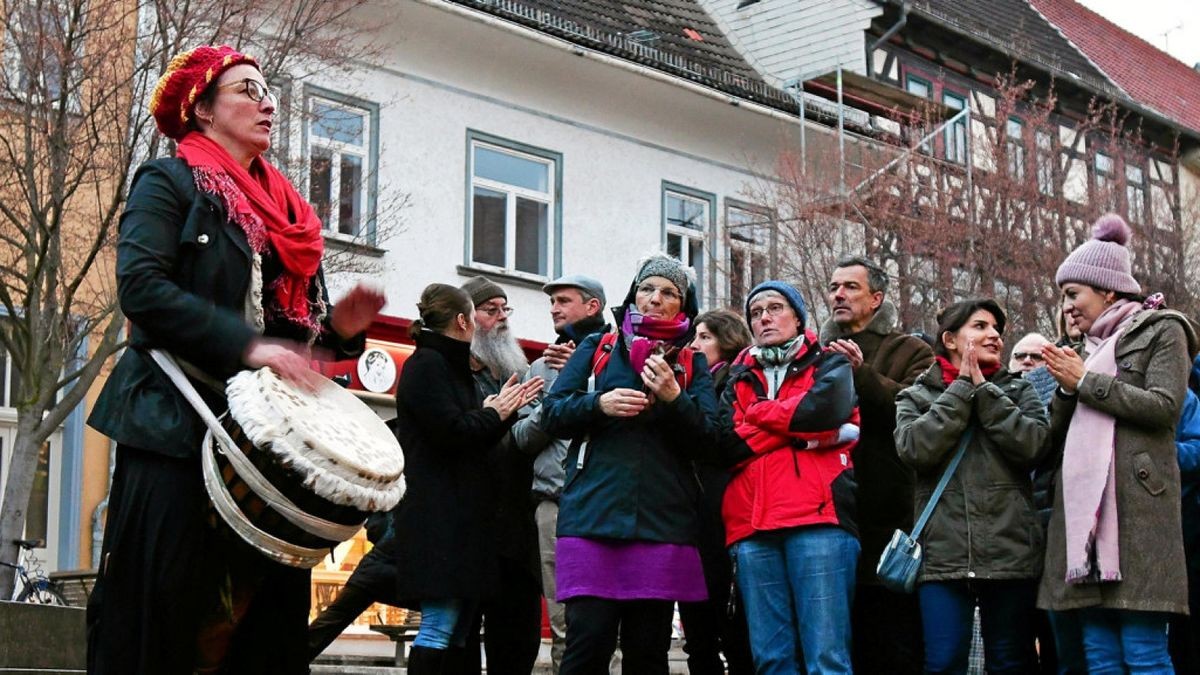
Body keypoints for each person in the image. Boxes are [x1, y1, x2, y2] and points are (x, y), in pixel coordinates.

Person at [84, 45, 385, 674]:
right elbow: (141, 289)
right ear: (199, 108)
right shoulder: (167, 183)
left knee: (264, 626)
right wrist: (247, 345)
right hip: (174, 424)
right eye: (247, 89)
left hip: (260, 444)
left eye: (268, 91)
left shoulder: (291, 217)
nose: (267, 101)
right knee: (168, 613)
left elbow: (292, 349)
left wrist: (338, 336)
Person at [541, 253, 718, 674]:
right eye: (647, 288)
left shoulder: (693, 363)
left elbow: (711, 440)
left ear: (684, 305)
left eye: (668, 292)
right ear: (633, 294)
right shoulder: (598, 346)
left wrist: (676, 399)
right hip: (592, 518)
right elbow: (552, 414)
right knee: (585, 650)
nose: (655, 299)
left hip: (662, 524)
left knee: (647, 655)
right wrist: (598, 404)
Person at [1038, 214, 1198, 673]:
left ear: (1107, 290)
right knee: (1100, 656)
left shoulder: (1164, 329)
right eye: (1063, 297)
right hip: (1085, 524)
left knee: (1143, 652)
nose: (1066, 306)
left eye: (1073, 294)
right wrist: (1069, 387)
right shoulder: (1081, 350)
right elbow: (1053, 437)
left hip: (1139, 517)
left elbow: (1164, 407)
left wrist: (1085, 381)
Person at [391, 283, 542, 673]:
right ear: (462, 320)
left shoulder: (444, 365)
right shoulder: (428, 364)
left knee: (455, 633)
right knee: (440, 627)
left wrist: (492, 411)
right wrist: (495, 414)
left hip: (459, 522)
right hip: (441, 521)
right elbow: (453, 434)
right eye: (480, 315)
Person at [895, 298, 1050, 674]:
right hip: (941, 557)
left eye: (996, 328)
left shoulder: (1018, 390)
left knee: (1011, 661)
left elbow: (1034, 445)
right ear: (950, 339)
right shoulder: (916, 395)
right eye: (980, 326)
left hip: (1010, 551)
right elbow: (915, 448)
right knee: (943, 662)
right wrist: (962, 389)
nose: (994, 335)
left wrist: (985, 392)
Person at [721, 281, 860, 674]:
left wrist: (761, 414)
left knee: (827, 658)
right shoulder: (738, 375)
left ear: (798, 317)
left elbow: (826, 411)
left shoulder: (830, 363)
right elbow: (724, 444)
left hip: (819, 521)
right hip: (751, 527)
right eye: (755, 312)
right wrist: (800, 431)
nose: (764, 317)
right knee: (771, 661)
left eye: (775, 307)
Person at [819, 256, 934, 674]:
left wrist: (860, 373)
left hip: (889, 520)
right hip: (828, 518)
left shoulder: (911, 350)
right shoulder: (816, 352)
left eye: (850, 287)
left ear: (877, 298)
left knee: (894, 643)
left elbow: (914, 413)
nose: (838, 295)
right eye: (833, 287)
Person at [512, 274, 611, 674]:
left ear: (592, 306)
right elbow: (521, 438)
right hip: (554, 504)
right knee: (564, 623)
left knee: (606, 625)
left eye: (563, 300)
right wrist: (557, 398)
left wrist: (585, 379)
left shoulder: (616, 355)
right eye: (551, 301)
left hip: (606, 503)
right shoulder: (538, 366)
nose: (554, 307)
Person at [460, 275, 544, 674]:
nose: (502, 318)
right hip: (471, 527)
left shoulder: (518, 370)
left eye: (505, 309)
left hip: (516, 529)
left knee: (516, 640)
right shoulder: (451, 373)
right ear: (466, 318)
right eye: (490, 310)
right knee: (458, 638)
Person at [680, 309, 755, 675]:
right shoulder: (689, 382)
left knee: (733, 626)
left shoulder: (737, 381)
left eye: (705, 337)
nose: (694, 344)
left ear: (727, 342)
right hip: (691, 514)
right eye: (694, 336)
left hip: (725, 512)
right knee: (697, 631)